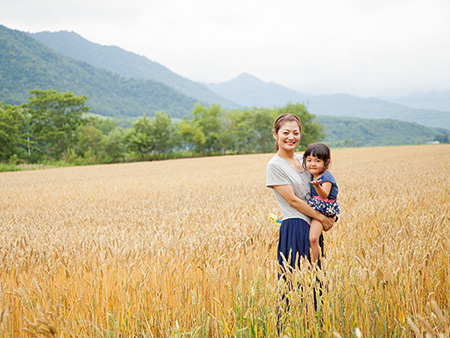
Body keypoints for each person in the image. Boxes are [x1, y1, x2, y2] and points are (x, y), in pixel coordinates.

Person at [266, 114, 336, 274]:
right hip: (295, 226)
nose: (291, 137)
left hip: (312, 224)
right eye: (286, 133)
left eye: (295, 133)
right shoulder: (274, 166)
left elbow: (324, 186)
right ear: (275, 134)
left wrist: (330, 215)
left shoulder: (305, 160)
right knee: (295, 282)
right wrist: (322, 218)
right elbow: (293, 201)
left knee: (316, 281)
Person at [303, 143, 340, 265]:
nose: (312, 164)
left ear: (327, 162)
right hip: (314, 207)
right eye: (309, 160)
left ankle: (315, 266)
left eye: (317, 161)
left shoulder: (326, 176)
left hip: (324, 210)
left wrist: (317, 186)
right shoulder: (311, 175)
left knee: (313, 238)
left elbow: (324, 194)